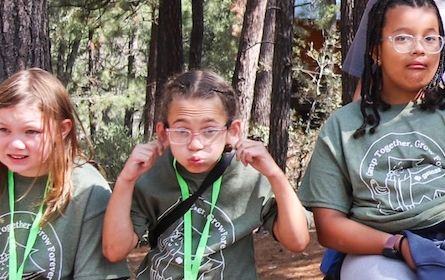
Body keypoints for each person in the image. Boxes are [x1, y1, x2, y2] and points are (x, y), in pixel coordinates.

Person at [299, 0, 445, 280]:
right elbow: (329, 224)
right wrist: (398, 245)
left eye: (430, 38)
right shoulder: (342, 126)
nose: (419, 49)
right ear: (375, 50)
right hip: (377, 247)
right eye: (402, 38)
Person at [101, 70, 311, 279]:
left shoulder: (250, 174)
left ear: (233, 131)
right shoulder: (150, 173)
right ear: (164, 133)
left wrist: (275, 175)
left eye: (209, 131)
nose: (195, 144)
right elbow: (114, 251)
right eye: (182, 131)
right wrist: (125, 180)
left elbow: (297, 241)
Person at [0, 68, 128, 280]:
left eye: (31, 131)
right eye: (3, 130)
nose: (15, 144)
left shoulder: (88, 189)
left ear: (62, 130)